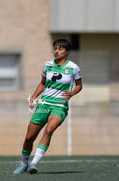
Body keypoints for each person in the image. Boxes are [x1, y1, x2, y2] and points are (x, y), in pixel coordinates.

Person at [13, 39, 82, 174]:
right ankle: (23, 163)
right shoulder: (47, 65)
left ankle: (34, 163)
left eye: (60, 49)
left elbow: (79, 85)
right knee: (29, 137)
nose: (56, 51)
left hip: (59, 106)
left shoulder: (74, 68)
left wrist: (72, 93)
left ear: (67, 51)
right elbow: (43, 83)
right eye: (55, 48)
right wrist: (34, 97)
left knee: (49, 130)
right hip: (44, 104)